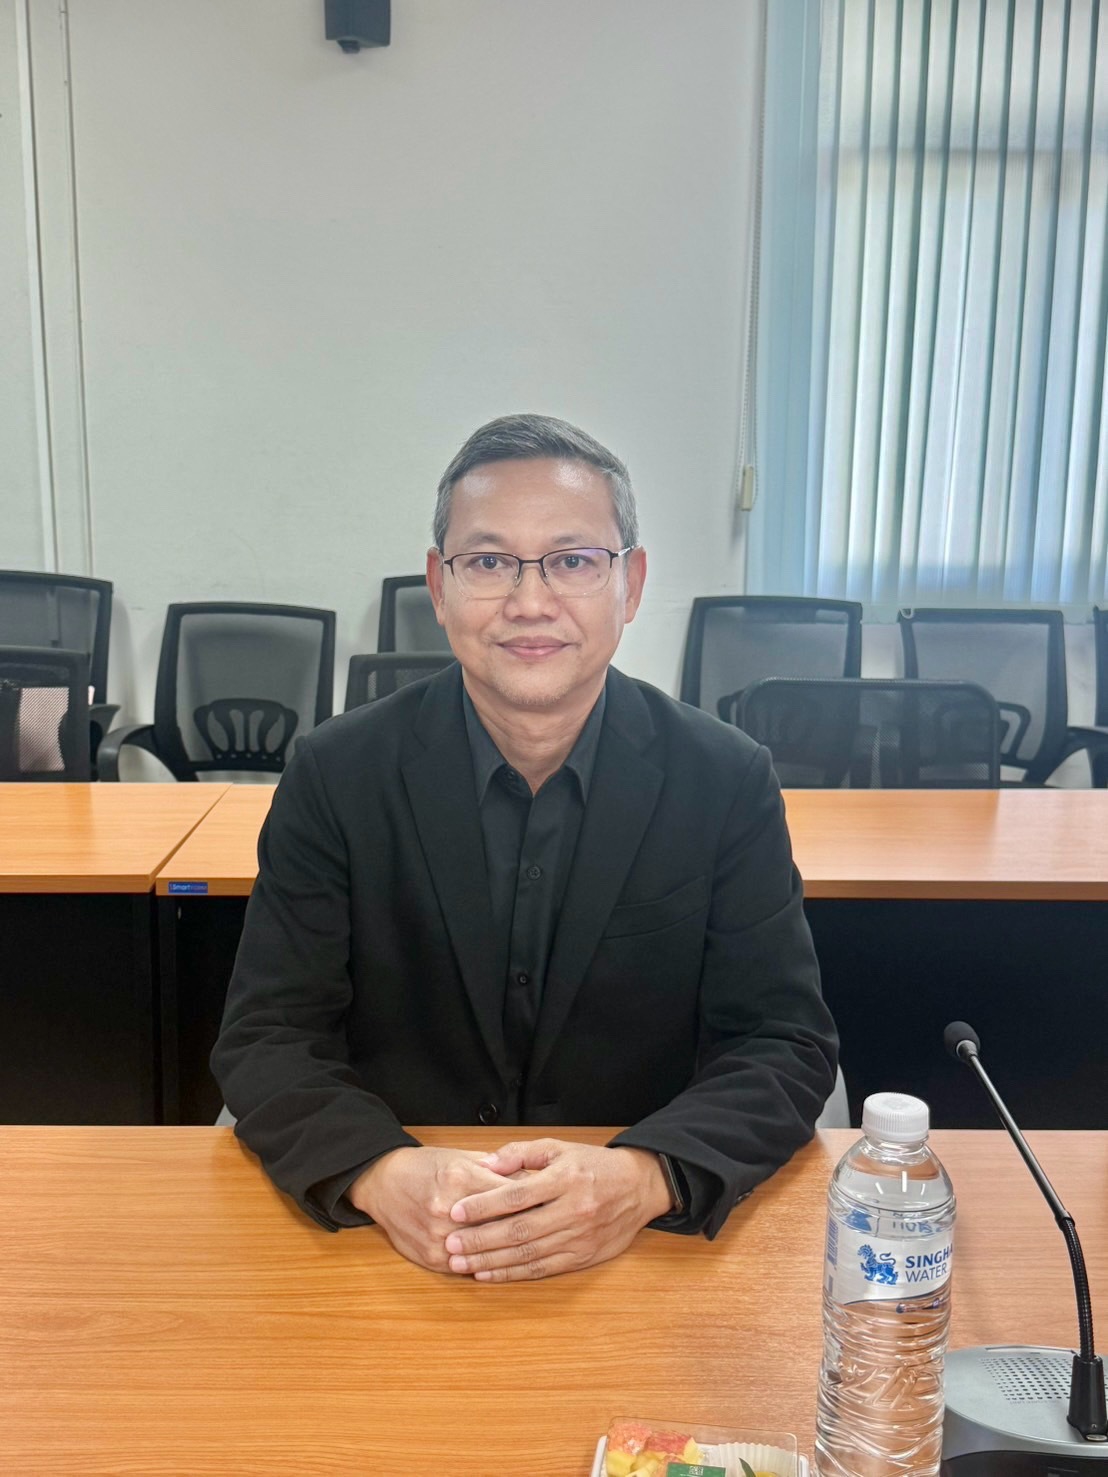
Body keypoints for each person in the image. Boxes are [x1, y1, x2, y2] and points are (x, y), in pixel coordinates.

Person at [212, 413, 838, 1283]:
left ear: (631, 584)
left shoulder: (724, 778)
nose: (530, 601)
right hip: (393, 1245)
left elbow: (783, 1041)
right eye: (488, 562)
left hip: (637, 1249)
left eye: (573, 561)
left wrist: (646, 1176)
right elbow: (269, 1034)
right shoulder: (337, 774)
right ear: (438, 586)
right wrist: (379, 1171)